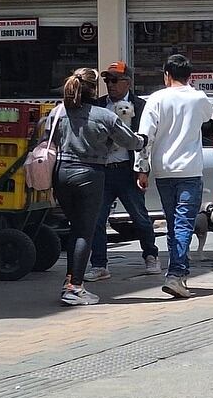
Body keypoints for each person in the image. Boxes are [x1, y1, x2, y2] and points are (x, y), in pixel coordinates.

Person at [47, 68, 145, 306]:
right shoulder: (103, 115)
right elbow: (131, 142)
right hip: (90, 174)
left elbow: (43, 137)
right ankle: (74, 287)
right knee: (84, 232)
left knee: (74, 228)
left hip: (61, 173)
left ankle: (70, 280)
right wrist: (144, 139)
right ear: (93, 89)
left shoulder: (57, 113)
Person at [135, 54, 213, 299]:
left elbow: (144, 137)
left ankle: (178, 273)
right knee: (183, 224)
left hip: (163, 170)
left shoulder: (157, 99)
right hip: (190, 170)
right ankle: (177, 274)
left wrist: (142, 168)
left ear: (166, 75)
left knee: (173, 223)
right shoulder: (198, 97)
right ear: (190, 76)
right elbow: (207, 117)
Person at [86, 62, 161, 283]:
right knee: (97, 220)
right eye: (107, 80)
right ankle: (99, 264)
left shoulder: (140, 106)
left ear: (127, 82)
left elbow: (146, 141)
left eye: (115, 80)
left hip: (128, 171)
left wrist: (142, 170)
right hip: (103, 171)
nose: (110, 84)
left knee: (139, 217)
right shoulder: (97, 105)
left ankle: (151, 256)